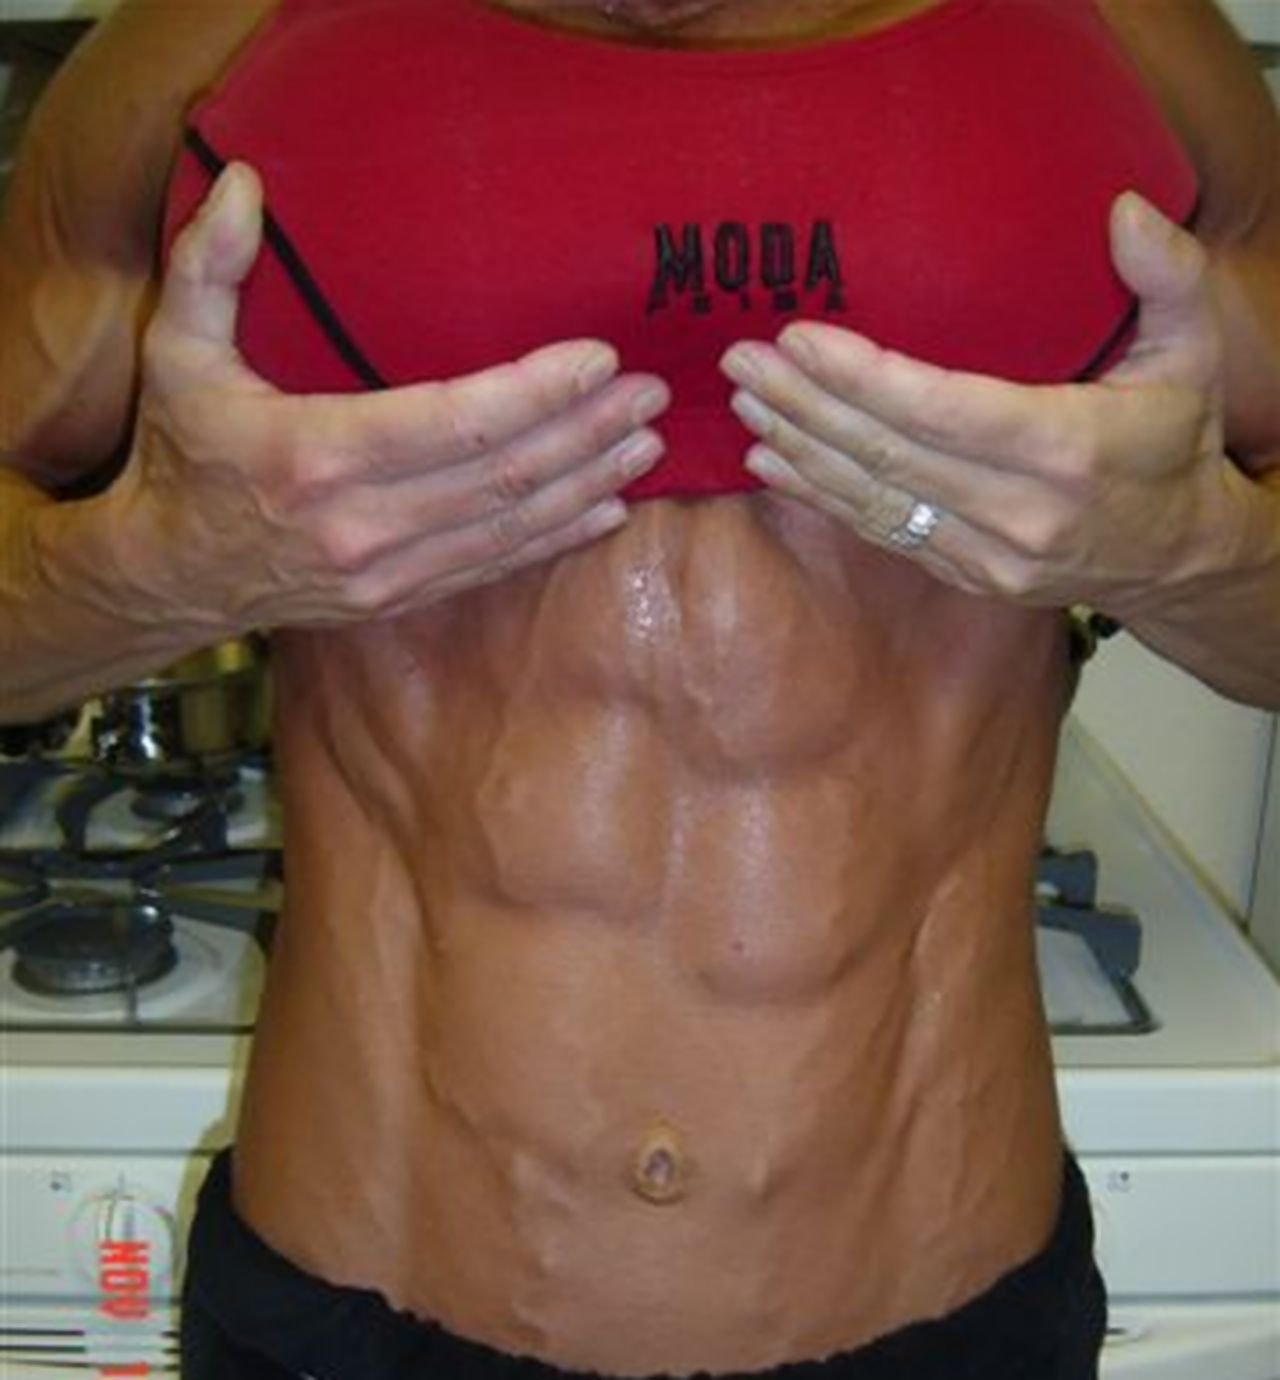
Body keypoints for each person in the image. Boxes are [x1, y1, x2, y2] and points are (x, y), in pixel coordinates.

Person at [1, 0, 1276, 1376]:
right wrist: (160, 569)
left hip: (949, 1305)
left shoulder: (1119, 45)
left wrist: (1183, 554)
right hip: (358, 1300)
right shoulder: (217, 46)